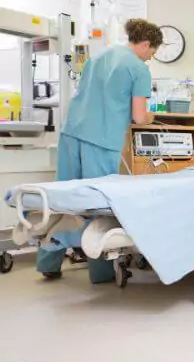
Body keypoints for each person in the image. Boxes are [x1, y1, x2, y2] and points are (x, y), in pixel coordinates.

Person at [36, 18, 162, 283]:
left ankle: (48, 263)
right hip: (101, 140)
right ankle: (101, 272)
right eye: (152, 52)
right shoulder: (138, 69)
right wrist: (152, 118)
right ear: (146, 43)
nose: (151, 58)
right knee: (97, 206)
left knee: (62, 200)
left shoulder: (99, 56)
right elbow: (139, 118)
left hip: (72, 132)